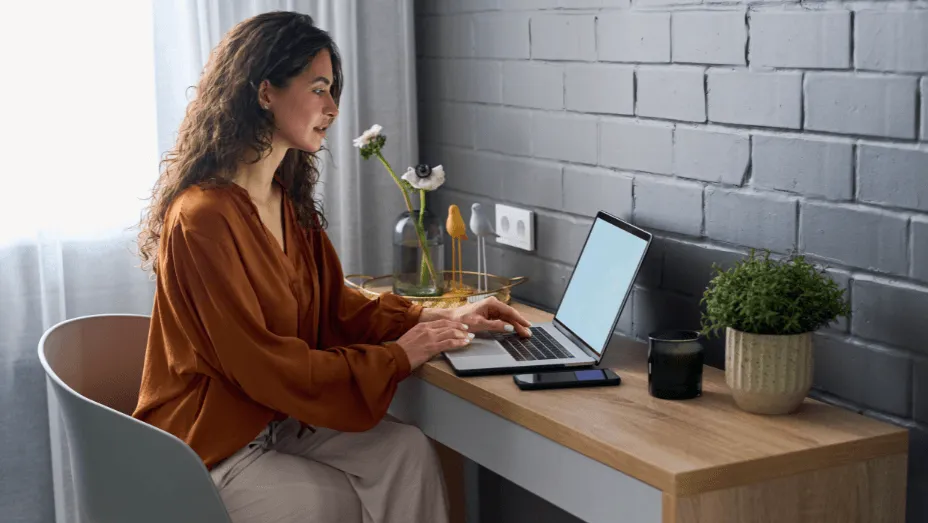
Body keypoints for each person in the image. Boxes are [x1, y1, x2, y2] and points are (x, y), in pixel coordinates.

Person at [133, 11, 532, 523]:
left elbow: (338, 309)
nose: (333, 108)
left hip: (278, 421)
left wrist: (440, 321)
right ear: (264, 93)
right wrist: (395, 357)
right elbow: (261, 365)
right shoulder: (202, 219)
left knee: (407, 455)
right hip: (212, 445)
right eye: (319, 88)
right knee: (337, 502)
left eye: (333, 91)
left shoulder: (286, 202)